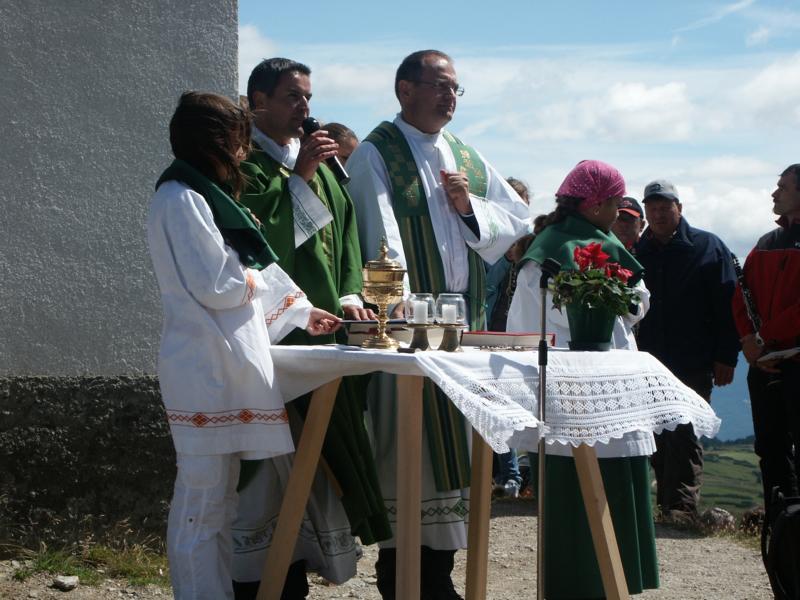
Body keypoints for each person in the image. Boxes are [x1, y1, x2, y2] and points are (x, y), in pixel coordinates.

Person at [346, 49, 531, 599]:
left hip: (462, 326)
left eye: (456, 88)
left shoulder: (466, 155)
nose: (450, 96)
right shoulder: (378, 152)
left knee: (456, 457)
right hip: (410, 329)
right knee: (414, 456)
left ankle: (440, 575)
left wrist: (469, 206)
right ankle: (401, 578)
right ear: (405, 90)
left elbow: (516, 218)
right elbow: (379, 234)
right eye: (439, 85)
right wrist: (403, 305)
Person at [146, 91, 341, 600]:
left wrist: (300, 311)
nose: (243, 149)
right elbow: (219, 283)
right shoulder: (181, 198)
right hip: (204, 366)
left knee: (222, 502)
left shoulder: (204, 195)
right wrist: (252, 273)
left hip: (221, 363)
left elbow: (235, 273)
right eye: (237, 138)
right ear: (211, 140)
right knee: (202, 502)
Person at [231, 58, 391, 598]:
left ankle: (299, 565)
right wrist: (297, 178)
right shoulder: (246, 166)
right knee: (274, 468)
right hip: (277, 337)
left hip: (327, 329)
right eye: (292, 96)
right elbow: (258, 244)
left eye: (307, 97)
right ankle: (261, 574)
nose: (304, 107)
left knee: (320, 465)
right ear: (258, 101)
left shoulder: (323, 168)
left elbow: (346, 235)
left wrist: (349, 293)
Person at [507, 159, 656, 599]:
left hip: (563, 386)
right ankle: (606, 584)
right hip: (598, 383)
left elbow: (524, 321)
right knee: (602, 490)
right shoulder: (588, 244)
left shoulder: (546, 246)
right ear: (594, 205)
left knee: (574, 496)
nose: (618, 211)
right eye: (614, 203)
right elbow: (635, 305)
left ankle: (580, 584)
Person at [635, 179, 740, 521]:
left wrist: (726, 356)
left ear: (679, 208)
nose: (659, 214)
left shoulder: (708, 246)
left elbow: (729, 305)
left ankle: (682, 509)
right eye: (652, 208)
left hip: (694, 359)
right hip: (649, 361)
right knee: (656, 433)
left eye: (665, 207)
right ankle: (666, 508)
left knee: (685, 431)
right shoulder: (638, 251)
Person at [732, 164, 800, 516]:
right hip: (764, 362)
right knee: (770, 448)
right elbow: (741, 297)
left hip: (793, 360)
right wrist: (749, 339)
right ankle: (781, 527)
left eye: (783, 187)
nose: (775, 193)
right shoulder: (766, 243)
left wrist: (762, 338)